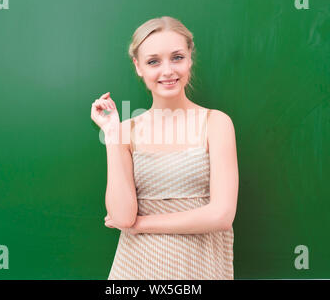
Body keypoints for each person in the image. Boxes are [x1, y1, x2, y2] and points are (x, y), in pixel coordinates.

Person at [90, 16, 239, 279]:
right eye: (153, 61)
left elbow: (222, 215)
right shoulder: (126, 131)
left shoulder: (216, 123)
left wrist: (143, 224)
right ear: (138, 67)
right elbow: (123, 217)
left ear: (190, 58)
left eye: (177, 57)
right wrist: (112, 134)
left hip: (200, 269)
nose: (167, 70)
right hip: (136, 270)